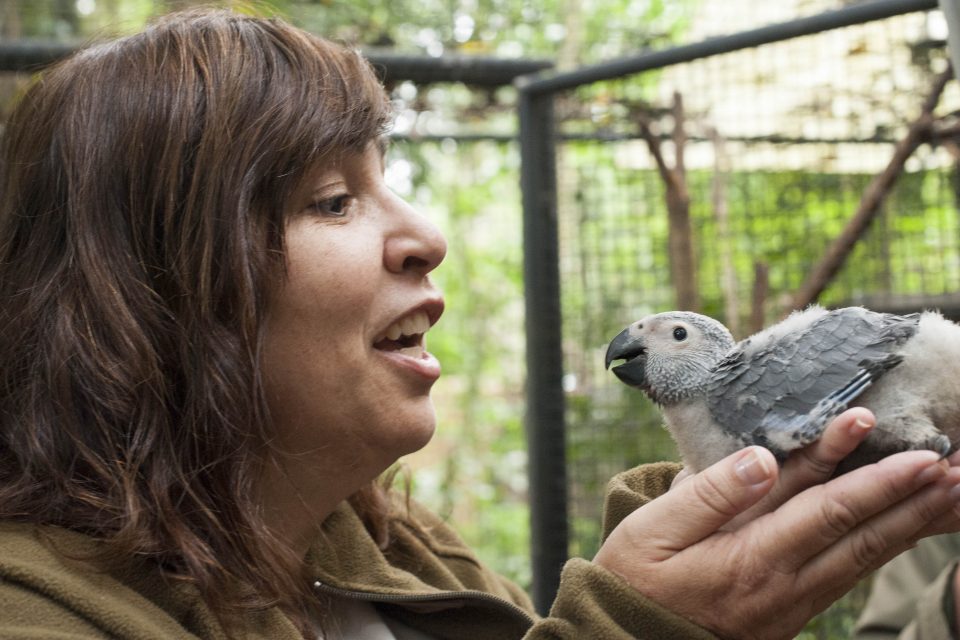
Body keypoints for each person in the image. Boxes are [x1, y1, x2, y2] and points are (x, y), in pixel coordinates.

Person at [0, 8, 958, 639]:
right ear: (142, 286)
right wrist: (628, 627)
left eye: (390, 186)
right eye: (333, 201)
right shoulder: (37, 613)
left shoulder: (391, 550)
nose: (426, 236)